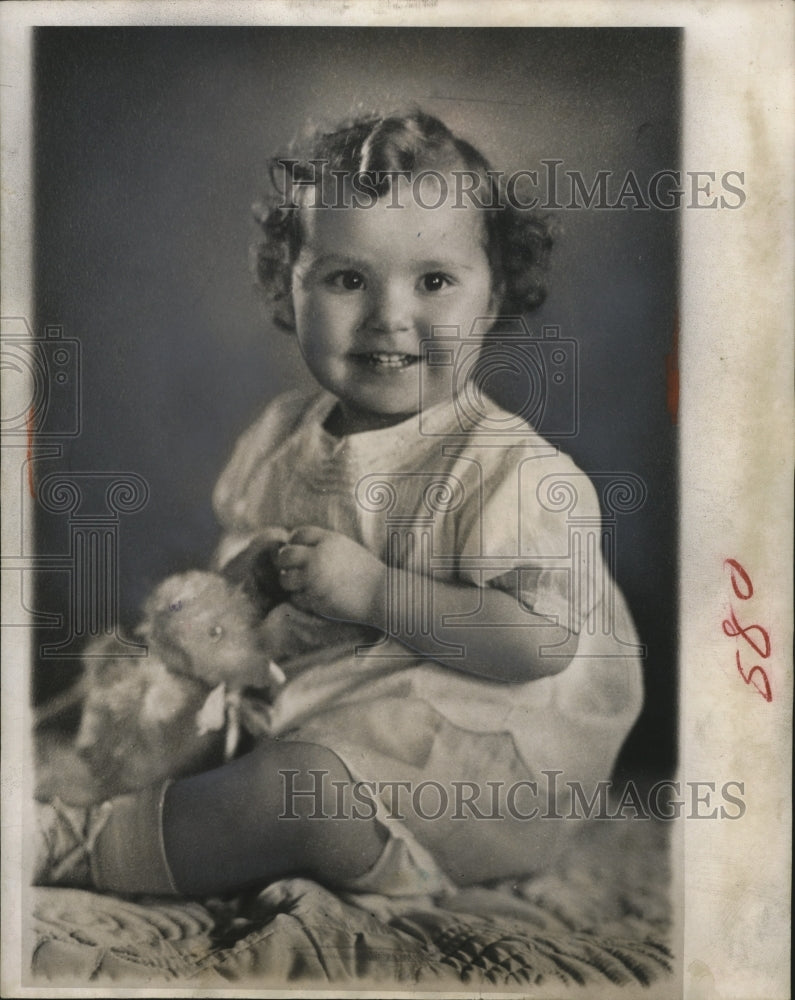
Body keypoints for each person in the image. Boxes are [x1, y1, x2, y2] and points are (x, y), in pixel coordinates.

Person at [35, 110, 644, 899]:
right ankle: (153, 811)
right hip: (327, 707)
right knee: (183, 729)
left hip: (475, 763)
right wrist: (247, 578)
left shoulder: (511, 472)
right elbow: (240, 548)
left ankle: (75, 848)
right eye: (347, 279)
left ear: (490, 303)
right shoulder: (285, 434)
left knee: (296, 789)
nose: (390, 316)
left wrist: (377, 591)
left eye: (433, 281)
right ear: (289, 287)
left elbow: (540, 645)